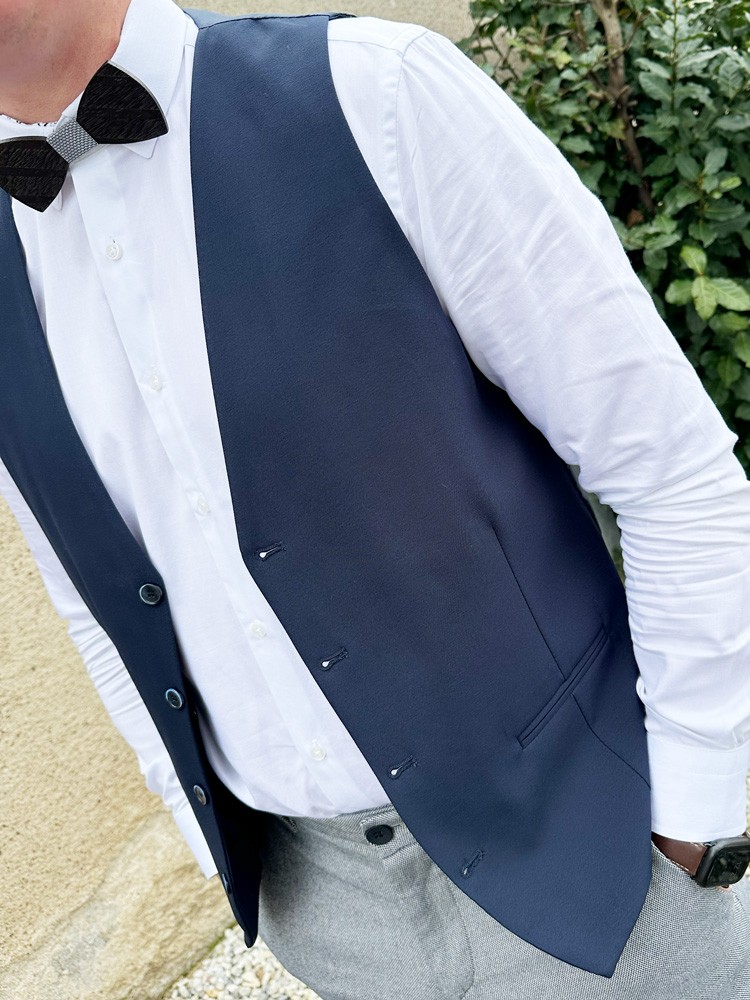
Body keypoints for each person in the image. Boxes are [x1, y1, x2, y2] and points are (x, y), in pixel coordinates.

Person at [1, 0, 749, 996]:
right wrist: (213, 841)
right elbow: (91, 599)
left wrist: (698, 823)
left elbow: (669, 467)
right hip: (333, 923)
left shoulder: (373, 88)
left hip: (605, 860)